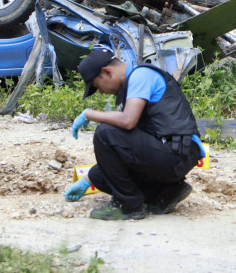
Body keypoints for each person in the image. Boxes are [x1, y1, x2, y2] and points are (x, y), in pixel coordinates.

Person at [62, 47, 205, 220]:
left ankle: (128, 206)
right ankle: (165, 193)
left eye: (96, 86)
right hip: (168, 154)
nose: (100, 91)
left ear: (107, 72)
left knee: (105, 133)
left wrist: (90, 114)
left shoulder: (141, 75)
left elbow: (128, 121)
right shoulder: (128, 89)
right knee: (100, 176)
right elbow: (126, 148)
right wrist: (88, 180)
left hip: (176, 152)